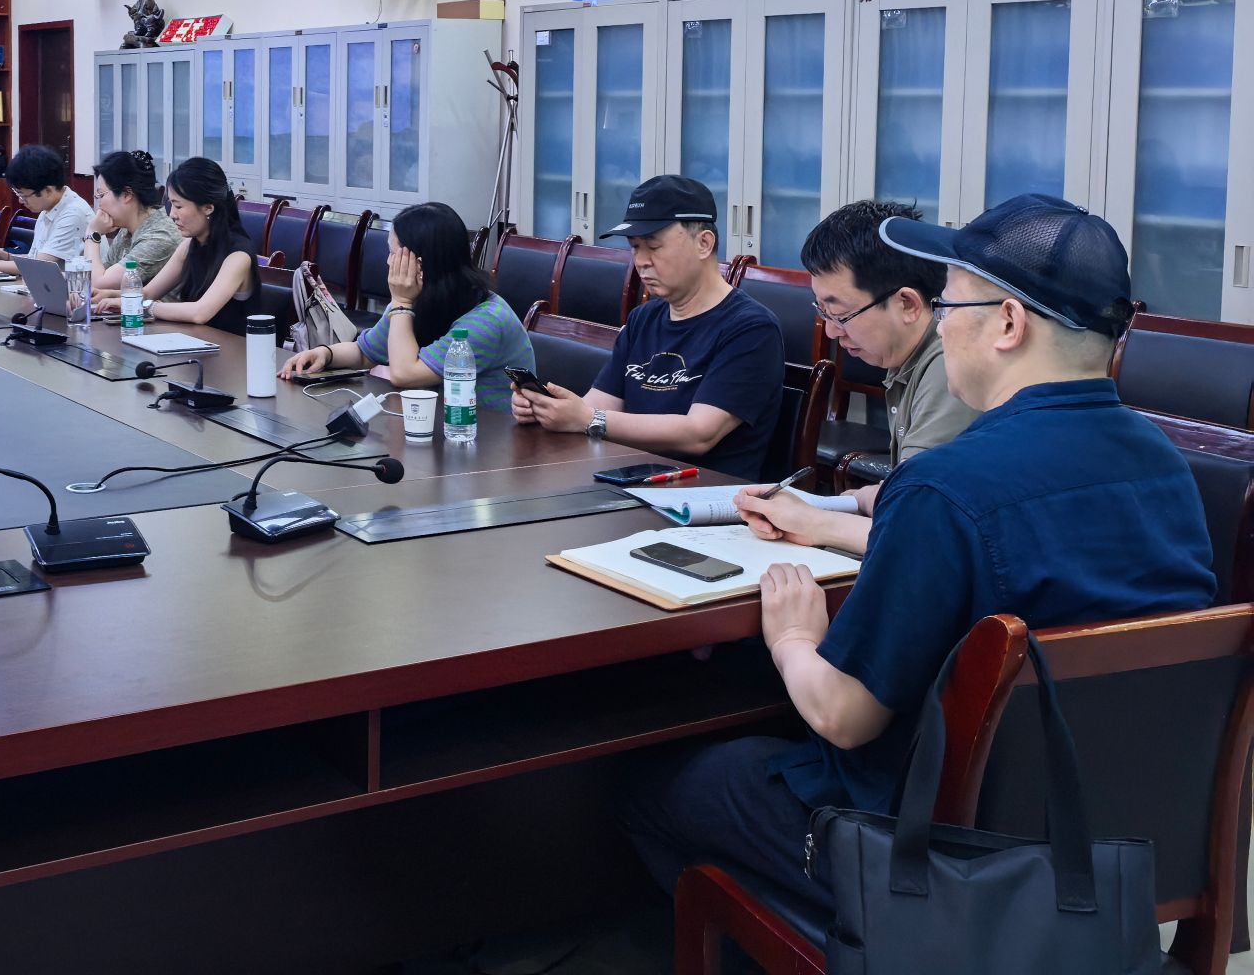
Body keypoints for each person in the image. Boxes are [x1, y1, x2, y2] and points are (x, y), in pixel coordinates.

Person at [621, 194, 1215, 923]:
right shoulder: (1167, 466)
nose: (939, 325)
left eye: (950, 307)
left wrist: (793, 638)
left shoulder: (946, 488)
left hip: (944, 864)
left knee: (658, 787)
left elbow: (844, 716)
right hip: (1119, 847)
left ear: (1008, 324)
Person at [734, 200, 975, 556]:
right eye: (822, 311)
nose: (832, 331)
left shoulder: (949, 366)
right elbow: (921, 492)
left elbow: (917, 529)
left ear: (907, 304)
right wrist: (862, 498)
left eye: (841, 314)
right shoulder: (907, 356)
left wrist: (813, 522)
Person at [512, 175, 785, 480]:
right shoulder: (644, 319)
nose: (641, 261)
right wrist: (549, 410)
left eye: (653, 246)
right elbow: (598, 404)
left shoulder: (751, 329)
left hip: (702, 491)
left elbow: (699, 433)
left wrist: (588, 419)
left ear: (704, 243)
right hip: (629, 478)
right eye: (635, 247)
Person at [279, 202, 535, 409]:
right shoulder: (420, 298)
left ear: (420, 264)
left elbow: (404, 374)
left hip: (490, 441)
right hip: (440, 427)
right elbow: (366, 353)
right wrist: (326, 354)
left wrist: (401, 303)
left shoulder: (487, 320)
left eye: (394, 254)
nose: (388, 262)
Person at [92, 157, 255, 327]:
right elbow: (148, 293)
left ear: (208, 208)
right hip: (196, 339)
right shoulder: (189, 245)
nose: (172, 215)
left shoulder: (238, 256)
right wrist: (109, 295)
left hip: (231, 343)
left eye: (179, 206)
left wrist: (144, 306)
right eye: (171, 205)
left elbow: (200, 313)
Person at [0, 146, 93, 275]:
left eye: (24, 196)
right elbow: (35, 260)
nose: (20, 201)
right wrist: (3, 255)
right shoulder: (48, 209)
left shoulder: (73, 214)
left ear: (48, 191)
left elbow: (39, 266)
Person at [84, 149, 182, 290]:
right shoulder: (127, 228)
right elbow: (96, 277)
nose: (99, 204)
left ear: (127, 195)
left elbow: (98, 284)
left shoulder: (160, 236)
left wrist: (92, 233)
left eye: (101, 195)